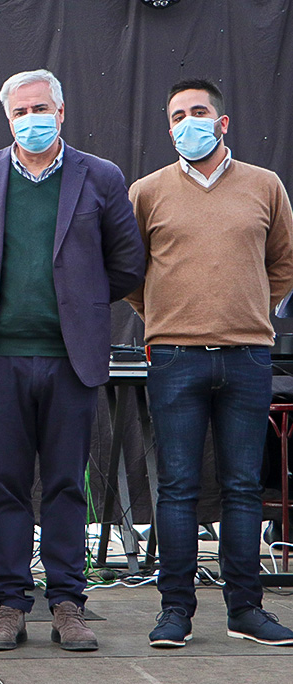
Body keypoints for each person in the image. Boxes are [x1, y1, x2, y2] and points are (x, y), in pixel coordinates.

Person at [0, 69, 145, 652]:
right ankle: (9, 605)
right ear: (7, 118)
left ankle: (68, 602)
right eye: (19, 112)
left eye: (39, 108)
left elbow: (128, 265)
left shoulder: (101, 176)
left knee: (68, 484)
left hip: (70, 360)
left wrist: (81, 302)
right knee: (7, 486)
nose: (29, 120)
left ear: (60, 112)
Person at [127, 79, 293, 648]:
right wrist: (172, 314)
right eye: (177, 115)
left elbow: (284, 262)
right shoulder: (147, 192)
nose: (187, 123)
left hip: (248, 355)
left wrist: (248, 308)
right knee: (176, 490)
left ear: (223, 123)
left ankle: (246, 610)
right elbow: (129, 272)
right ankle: (175, 612)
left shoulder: (265, 186)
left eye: (199, 113)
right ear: (168, 126)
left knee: (243, 488)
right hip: (173, 356)